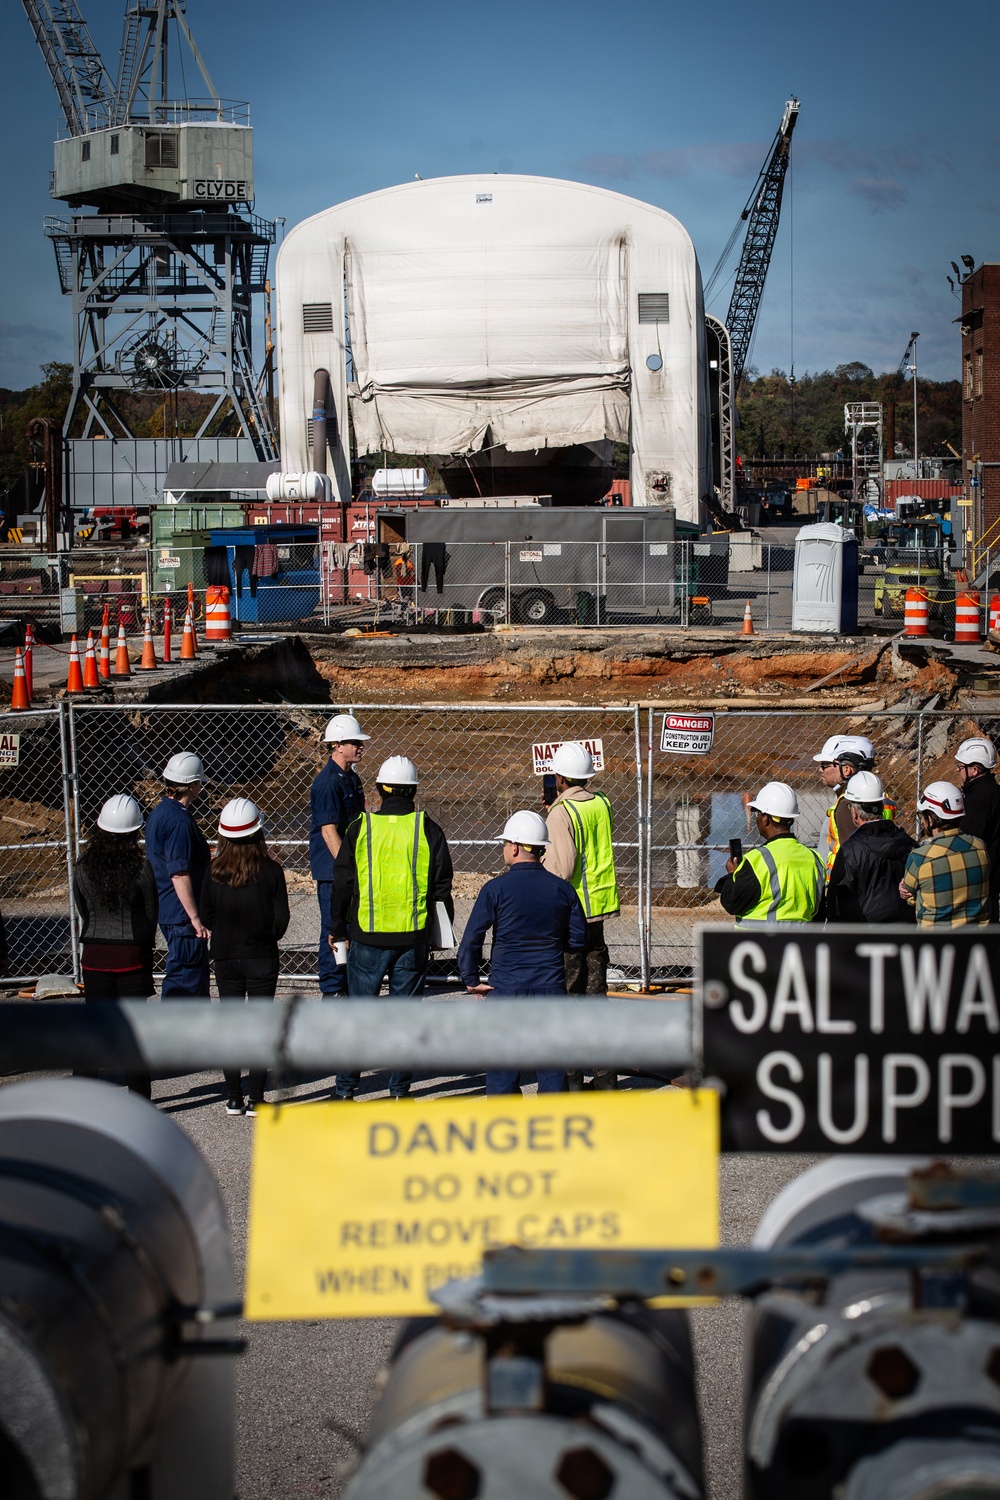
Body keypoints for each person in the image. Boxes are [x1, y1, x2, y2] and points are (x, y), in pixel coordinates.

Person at [330, 755, 454, 1100]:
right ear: (414, 791)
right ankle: (399, 1091)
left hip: (366, 936)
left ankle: (345, 1091)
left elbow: (343, 882)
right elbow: (441, 886)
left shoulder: (360, 827)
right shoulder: (427, 828)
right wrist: (439, 932)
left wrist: (337, 926)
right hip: (412, 938)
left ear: (380, 789)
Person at [458, 810, 587, 1096]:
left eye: (505, 843)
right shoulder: (563, 890)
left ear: (515, 847)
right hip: (549, 987)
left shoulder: (495, 889)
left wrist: (470, 977)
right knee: (552, 1069)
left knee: (504, 1070)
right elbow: (578, 940)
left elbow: (472, 939)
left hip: (506, 988)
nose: (504, 848)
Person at [201, 798, 290, 1116]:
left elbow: (205, 914)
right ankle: (256, 1098)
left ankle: (233, 1097)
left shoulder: (212, 871)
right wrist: (264, 936)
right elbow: (281, 919)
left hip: (225, 957)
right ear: (258, 832)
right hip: (261, 956)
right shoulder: (271, 871)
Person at [542, 741, 620, 1091]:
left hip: (572, 914)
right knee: (596, 996)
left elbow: (564, 866)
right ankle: (605, 1081)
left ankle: (571, 1082)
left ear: (559, 778)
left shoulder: (561, 814)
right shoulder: (602, 803)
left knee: (569, 998)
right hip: (599, 910)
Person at [72, 793, 157, 1097]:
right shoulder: (141, 868)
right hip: (132, 954)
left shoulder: (82, 866)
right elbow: (150, 913)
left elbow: (82, 907)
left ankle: (80, 1096)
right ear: (135, 832)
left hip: (94, 954)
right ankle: (140, 1101)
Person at [309, 713, 368, 997]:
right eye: (355, 742)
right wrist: (348, 866)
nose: (360, 746)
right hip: (334, 871)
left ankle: (345, 984)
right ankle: (332, 989)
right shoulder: (328, 784)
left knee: (349, 927)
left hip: (346, 868)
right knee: (333, 928)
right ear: (338, 745)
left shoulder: (351, 780)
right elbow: (328, 831)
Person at [144, 752, 211, 998]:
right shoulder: (179, 821)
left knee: (183, 974)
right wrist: (195, 917)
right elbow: (179, 872)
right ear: (192, 785)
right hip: (181, 913)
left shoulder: (160, 812)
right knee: (186, 980)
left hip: (167, 906)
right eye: (199, 783)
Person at [715, 781, 826, 924]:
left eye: (758, 814)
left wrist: (731, 875)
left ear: (766, 819)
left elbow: (732, 903)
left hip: (761, 944)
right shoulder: (815, 859)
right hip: (802, 944)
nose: (757, 819)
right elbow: (819, 911)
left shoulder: (757, 860)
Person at [826, 772, 915, 924]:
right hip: (906, 932)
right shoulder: (908, 842)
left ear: (854, 812)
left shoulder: (850, 851)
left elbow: (836, 903)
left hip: (866, 937)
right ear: (881, 806)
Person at [901, 781, 990, 928]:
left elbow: (910, 895)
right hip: (977, 942)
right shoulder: (980, 847)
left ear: (930, 819)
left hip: (936, 945)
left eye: (923, 816)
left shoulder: (920, 857)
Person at [813, 734, 886, 878]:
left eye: (828, 764)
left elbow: (852, 855)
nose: (821, 769)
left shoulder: (848, 805)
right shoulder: (880, 796)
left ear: (846, 769)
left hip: (845, 884)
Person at [954, 737, 1000, 921]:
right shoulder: (995, 792)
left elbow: (967, 840)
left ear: (974, 769)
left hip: (978, 882)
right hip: (993, 878)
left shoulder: (977, 800)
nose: (958, 770)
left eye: (961, 766)